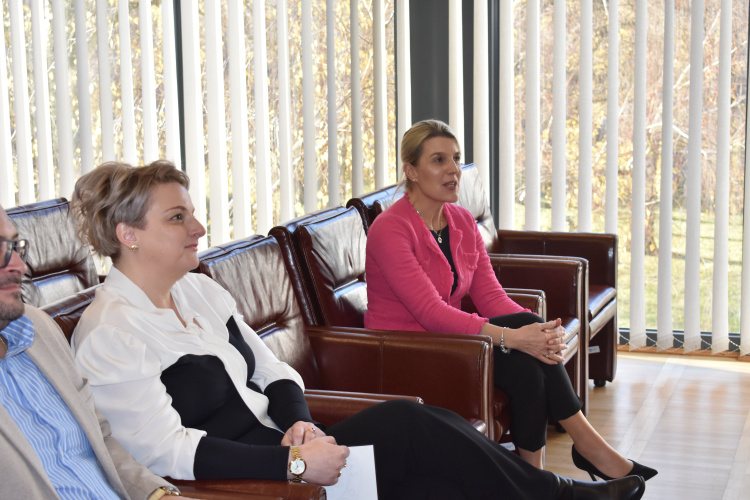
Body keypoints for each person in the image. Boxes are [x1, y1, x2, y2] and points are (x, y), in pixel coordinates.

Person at [68, 160, 645, 500]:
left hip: (297, 449)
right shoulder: (110, 334)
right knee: (410, 424)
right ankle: (563, 496)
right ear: (128, 235)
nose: (198, 227)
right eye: (178, 218)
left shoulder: (199, 291)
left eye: (192, 212)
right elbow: (164, 451)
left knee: (441, 477)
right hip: (257, 481)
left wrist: (299, 423)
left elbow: (275, 371)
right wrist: (294, 464)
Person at [364, 119, 658, 481]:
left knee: (528, 365)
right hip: (406, 350)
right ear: (411, 171)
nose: (454, 169)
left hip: (452, 343)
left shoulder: (461, 221)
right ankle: (588, 449)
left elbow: (491, 297)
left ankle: (536, 479)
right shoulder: (390, 229)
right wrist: (515, 336)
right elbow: (430, 313)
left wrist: (539, 333)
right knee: (524, 340)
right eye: (439, 160)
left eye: (456, 158)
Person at [0, 203, 183, 499]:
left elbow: (101, 441)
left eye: (14, 246)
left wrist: (157, 495)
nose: (19, 266)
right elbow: (170, 448)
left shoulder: (38, 329)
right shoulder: (109, 328)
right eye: (177, 217)